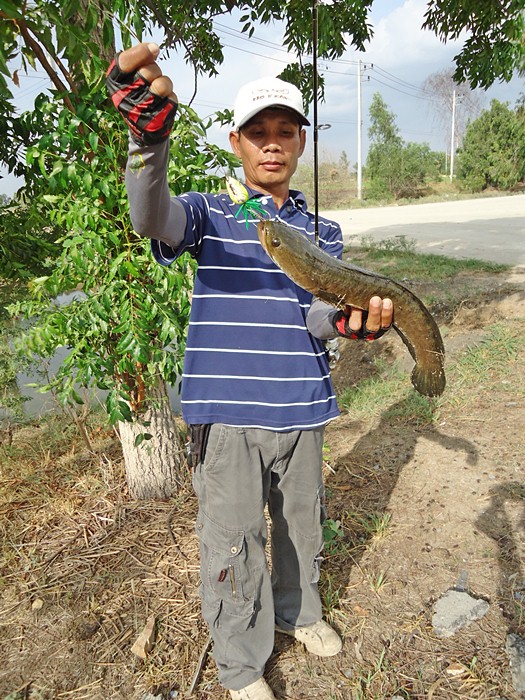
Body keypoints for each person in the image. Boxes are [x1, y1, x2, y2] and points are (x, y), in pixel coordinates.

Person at [106, 42, 393, 700]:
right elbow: (151, 215)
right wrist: (149, 141)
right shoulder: (213, 210)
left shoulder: (322, 229)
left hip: (300, 408)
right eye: (257, 133)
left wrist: (348, 324)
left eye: (284, 132)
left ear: (298, 142)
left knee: (301, 528)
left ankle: (300, 614)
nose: (271, 145)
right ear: (236, 141)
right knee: (231, 546)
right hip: (227, 415)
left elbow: (317, 316)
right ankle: (239, 667)